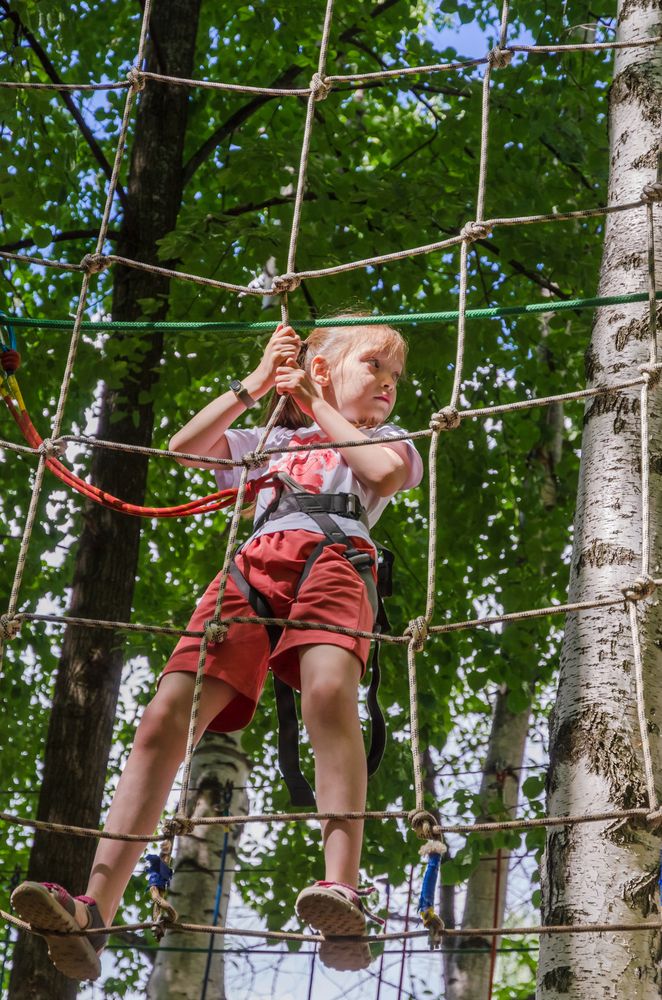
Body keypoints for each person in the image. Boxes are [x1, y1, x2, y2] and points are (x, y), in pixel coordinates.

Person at [12, 319, 423, 978]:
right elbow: (185, 448)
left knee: (325, 693)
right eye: (375, 366)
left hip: (336, 556)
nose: (388, 385)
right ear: (324, 367)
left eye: (394, 377)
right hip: (253, 568)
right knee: (163, 720)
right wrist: (258, 384)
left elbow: (382, 472)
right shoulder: (267, 439)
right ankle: (96, 910)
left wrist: (315, 402)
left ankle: (342, 886)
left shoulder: (383, 438)